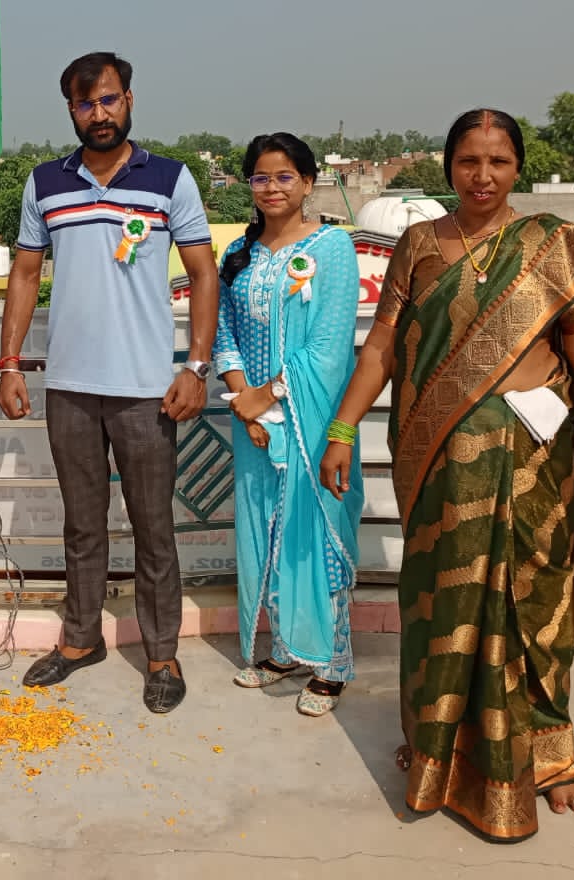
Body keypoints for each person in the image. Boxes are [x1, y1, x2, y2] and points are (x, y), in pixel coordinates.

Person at [319, 108, 574, 842]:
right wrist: (342, 428)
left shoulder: (551, 246)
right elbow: (382, 346)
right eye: (468, 161)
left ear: (517, 168)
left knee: (536, 606)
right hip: (440, 469)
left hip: (532, 465)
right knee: (441, 607)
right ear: (448, 167)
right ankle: (436, 746)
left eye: (497, 162)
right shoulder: (419, 244)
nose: (482, 176)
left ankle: (548, 759)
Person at [0, 51, 218, 714]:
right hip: (69, 386)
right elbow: (25, 275)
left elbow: (203, 273)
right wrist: (8, 364)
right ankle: (80, 639)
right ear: (70, 109)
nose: (99, 113)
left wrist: (196, 367)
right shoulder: (45, 183)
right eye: (85, 103)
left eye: (109, 100)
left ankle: (161, 653)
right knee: (82, 525)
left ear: (129, 100)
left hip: (148, 390)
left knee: (153, 527)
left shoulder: (170, 179)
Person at [213, 133, 364, 717]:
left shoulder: (332, 247)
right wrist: (242, 401)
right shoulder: (239, 253)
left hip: (312, 421)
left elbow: (330, 346)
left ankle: (332, 663)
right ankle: (285, 650)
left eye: (284, 177)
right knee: (266, 536)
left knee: (316, 536)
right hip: (251, 422)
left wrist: (268, 397)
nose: (271, 188)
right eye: (260, 177)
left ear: (307, 182)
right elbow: (224, 334)